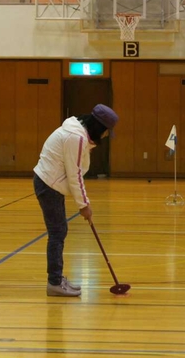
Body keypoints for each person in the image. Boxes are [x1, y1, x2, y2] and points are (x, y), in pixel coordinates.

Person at [33, 104, 119, 297]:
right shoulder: (76, 138)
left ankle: (56, 278)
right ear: (99, 127)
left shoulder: (77, 132)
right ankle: (54, 283)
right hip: (49, 185)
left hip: (50, 183)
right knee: (57, 233)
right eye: (106, 132)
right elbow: (75, 175)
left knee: (59, 231)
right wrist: (84, 205)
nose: (106, 136)